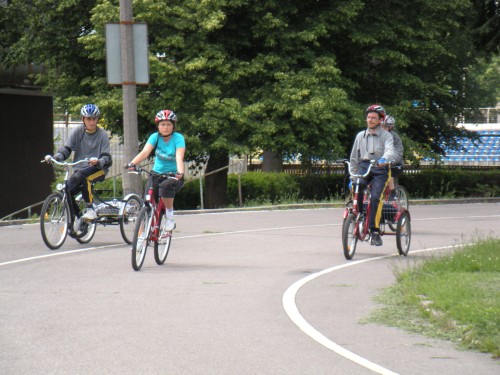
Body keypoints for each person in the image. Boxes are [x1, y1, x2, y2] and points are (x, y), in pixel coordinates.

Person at [45, 104, 112, 225]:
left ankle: (90, 208)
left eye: (94, 118)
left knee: (85, 176)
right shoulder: (77, 132)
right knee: (67, 190)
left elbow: (107, 157)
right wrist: (57, 157)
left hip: (98, 169)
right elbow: (67, 149)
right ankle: (79, 217)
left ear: (97, 119)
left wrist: (98, 161)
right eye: (88, 119)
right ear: (83, 119)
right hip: (80, 170)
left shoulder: (102, 135)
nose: (91, 122)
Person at [126, 109, 185, 231]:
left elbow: (179, 156)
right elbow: (145, 152)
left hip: (173, 175)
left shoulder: (178, 138)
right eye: (163, 124)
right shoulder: (155, 137)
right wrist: (132, 163)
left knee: (165, 186)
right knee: (147, 199)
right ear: (158, 125)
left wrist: (180, 173)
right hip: (156, 173)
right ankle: (141, 234)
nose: (166, 127)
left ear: (173, 126)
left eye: (169, 124)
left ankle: (169, 217)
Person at [349, 104, 395, 246]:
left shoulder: (386, 136)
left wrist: (384, 159)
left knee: (376, 197)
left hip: (380, 168)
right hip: (364, 165)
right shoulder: (360, 136)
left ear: (380, 120)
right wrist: (352, 176)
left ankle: (374, 230)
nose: (370, 120)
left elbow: (389, 151)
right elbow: (354, 158)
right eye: (368, 117)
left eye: (374, 118)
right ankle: (360, 214)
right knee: (358, 185)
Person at [381, 115, 404, 199]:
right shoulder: (376, 136)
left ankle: (393, 193)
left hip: (395, 164)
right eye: (381, 126)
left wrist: (392, 160)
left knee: (388, 171)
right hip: (380, 163)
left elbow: (398, 151)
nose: (383, 128)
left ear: (390, 127)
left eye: (385, 127)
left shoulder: (395, 137)